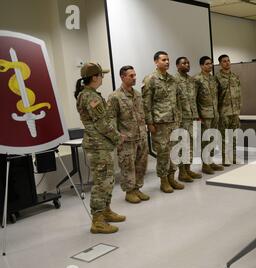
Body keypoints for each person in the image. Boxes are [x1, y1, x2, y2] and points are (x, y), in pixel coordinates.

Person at [74, 63, 126, 234]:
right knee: (102, 182)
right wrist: (117, 137)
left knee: (108, 179)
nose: (102, 78)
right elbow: (102, 123)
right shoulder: (90, 97)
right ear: (94, 77)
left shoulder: (90, 95)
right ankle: (97, 220)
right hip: (98, 145)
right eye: (101, 75)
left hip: (102, 144)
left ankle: (105, 211)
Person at [142, 51, 184, 193]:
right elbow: (146, 104)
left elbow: (177, 101)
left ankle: (172, 177)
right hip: (160, 124)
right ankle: (164, 181)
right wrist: (149, 123)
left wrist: (179, 118)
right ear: (156, 62)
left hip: (173, 122)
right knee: (163, 153)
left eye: (168, 60)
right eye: (164, 60)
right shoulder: (150, 79)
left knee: (174, 152)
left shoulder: (172, 80)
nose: (167, 62)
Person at [108, 66, 150, 204]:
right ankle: (129, 191)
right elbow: (111, 118)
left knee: (141, 165)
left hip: (141, 136)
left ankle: (137, 188)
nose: (134, 78)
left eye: (135, 75)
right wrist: (117, 136)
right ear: (122, 77)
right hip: (126, 139)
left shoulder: (138, 94)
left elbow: (142, 113)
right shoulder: (115, 97)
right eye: (131, 76)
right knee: (127, 166)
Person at [174, 57, 203, 182]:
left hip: (192, 117)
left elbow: (195, 99)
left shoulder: (192, 81)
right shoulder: (174, 80)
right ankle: (182, 172)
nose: (187, 65)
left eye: (188, 63)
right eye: (183, 63)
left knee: (191, 145)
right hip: (181, 118)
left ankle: (188, 169)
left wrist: (197, 115)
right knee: (182, 146)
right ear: (177, 66)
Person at [194, 56, 224, 174]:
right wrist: (197, 116)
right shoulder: (197, 79)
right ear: (201, 66)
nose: (210, 66)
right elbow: (193, 99)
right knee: (205, 140)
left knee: (213, 139)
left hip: (214, 114)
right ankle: (205, 164)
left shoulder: (213, 79)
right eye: (207, 64)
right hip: (204, 115)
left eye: (211, 63)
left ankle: (210, 161)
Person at [216, 54, 242, 166]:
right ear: (220, 64)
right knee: (224, 137)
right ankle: (225, 157)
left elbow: (239, 93)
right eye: (224, 61)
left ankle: (234, 157)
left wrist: (239, 108)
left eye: (228, 61)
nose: (227, 63)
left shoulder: (235, 76)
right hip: (223, 111)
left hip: (235, 111)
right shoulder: (217, 78)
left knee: (234, 136)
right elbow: (215, 96)